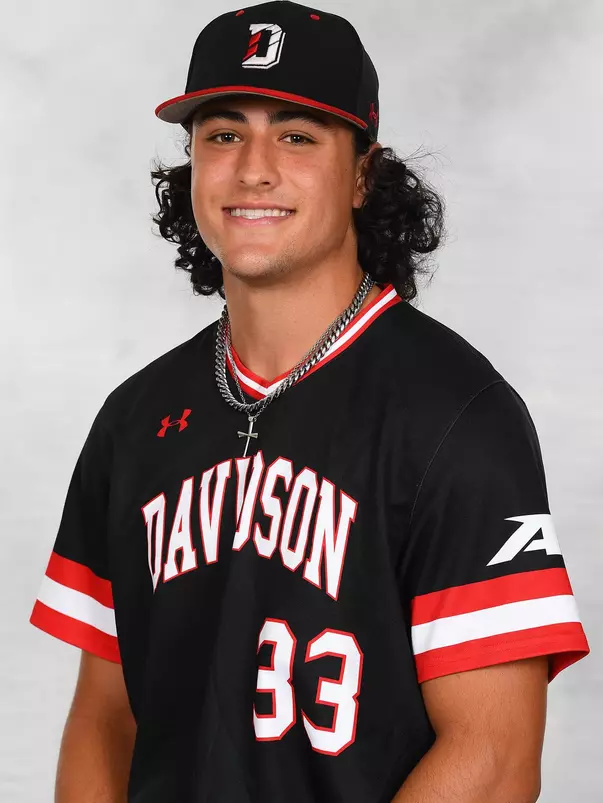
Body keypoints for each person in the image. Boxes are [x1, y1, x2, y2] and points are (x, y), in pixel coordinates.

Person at [30, 2, 590, 802]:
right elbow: (104, 719)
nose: (253, 169)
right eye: (223, 135)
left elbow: (493, 757)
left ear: (362, 173)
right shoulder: (134, 419)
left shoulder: (456, 413)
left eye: (296, 136)